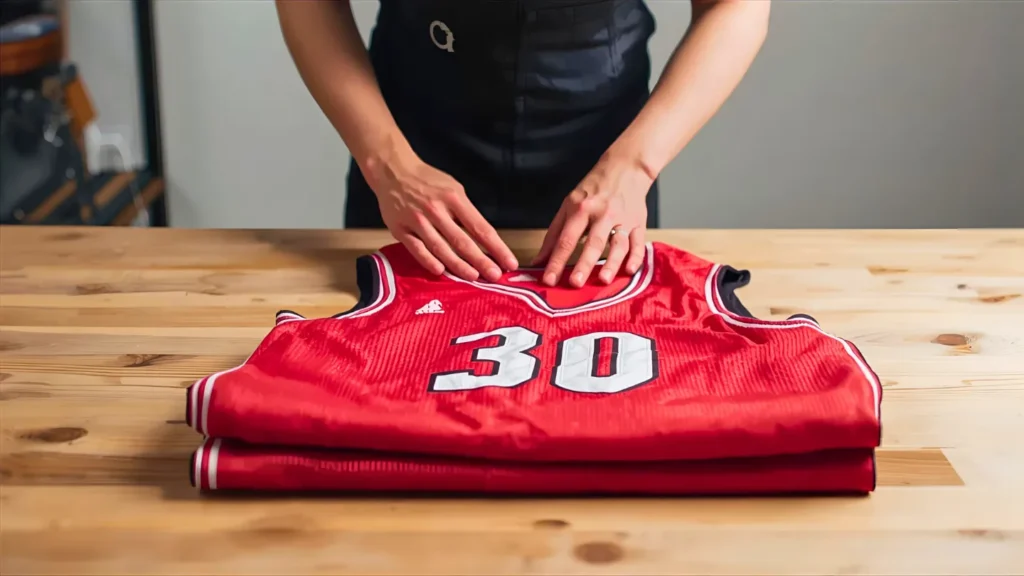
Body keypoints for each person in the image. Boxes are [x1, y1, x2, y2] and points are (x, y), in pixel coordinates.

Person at [276, 0, 769, 287]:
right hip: (409, 149)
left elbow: (735, 4)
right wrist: (387, 163)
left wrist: (634, 166)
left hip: (603, 163)